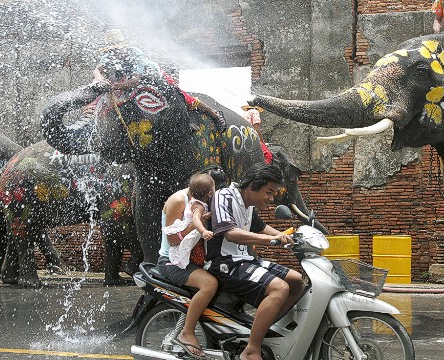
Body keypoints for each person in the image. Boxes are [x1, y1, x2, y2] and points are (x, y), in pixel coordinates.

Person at [205, 163, 304, 360]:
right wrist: (271, 239)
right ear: (253, 186)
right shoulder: (224, 196)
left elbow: (262, 227)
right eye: (269, 192)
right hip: (224, 264)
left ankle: (262, 330)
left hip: (245, 260)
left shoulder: (248, 205)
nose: (271, 198)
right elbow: (230, 233)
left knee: (296, 281)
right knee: (279, 289)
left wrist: (293, 238)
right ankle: (251, 350)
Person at [93, 29, 226, 131]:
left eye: (116, 49)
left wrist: (115, 86)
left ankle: (213, 113)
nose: (114, 53)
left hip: (153, 78)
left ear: (123, 47)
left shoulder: (134, 53)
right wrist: (100, 80)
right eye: (112, 50)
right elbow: (97, 70)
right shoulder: (110, 56)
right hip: (127, 83)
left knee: (181, 96)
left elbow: (137, 80)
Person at [157, 173, 220, 359]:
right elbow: (173, 240)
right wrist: (196, 225)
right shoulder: (179, 200)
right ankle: (187, 332)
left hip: (193, 258)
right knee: (209, 284)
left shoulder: (203, 200)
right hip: (173, 261)